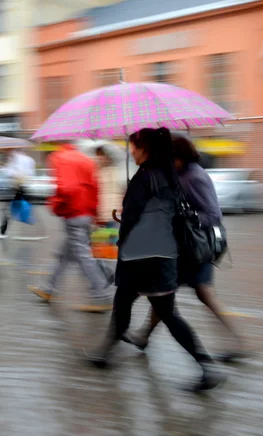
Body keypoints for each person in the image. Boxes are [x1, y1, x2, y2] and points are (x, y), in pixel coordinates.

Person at [88, 128, 224, 391]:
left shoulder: (145, 176)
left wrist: (124, 221)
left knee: (151, 311)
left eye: (134, 147)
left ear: (145, 150)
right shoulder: (168, 175)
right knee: (132, 305)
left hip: (141, 256)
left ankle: (207, 366)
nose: (131, 151)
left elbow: (134, 219)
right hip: (162, 255)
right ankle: (104, 353)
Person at [124, 134, 247, 361]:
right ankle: (143, 335)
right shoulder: (181, 174)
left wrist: (184, 216)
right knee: (166, 294)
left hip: (196, 247)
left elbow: (213, 214)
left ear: (177, 156)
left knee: (172, 293)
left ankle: (237, 344)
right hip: (186, 246)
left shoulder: (194, 177)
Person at [29, 141, 113, 312]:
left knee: (83, 256)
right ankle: (48, 289)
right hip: (86, 213)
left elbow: (67, 188)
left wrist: (55, 204)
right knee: (63, 255)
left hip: (74, 213)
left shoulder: (59, 158)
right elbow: (96, 188)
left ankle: (101, 295)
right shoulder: (86, 160)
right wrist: (95, 214)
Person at [0, 147, 36, 239]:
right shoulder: (30, 160)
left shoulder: (15, 158)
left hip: (16, 187)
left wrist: (3, 167)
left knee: (7, 209)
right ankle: (37, 230)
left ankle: (2, 232)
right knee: (24, 207)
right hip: (24, 186)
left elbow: (12, 173)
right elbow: (31, 173)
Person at [95, 145, 123, 228]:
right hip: (102, 213)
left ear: (107, 157)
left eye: (101, 156)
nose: (99, 159)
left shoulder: (117, 172)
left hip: (115, 212)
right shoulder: (97, 173)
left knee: (115, 237)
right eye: (98, 156)